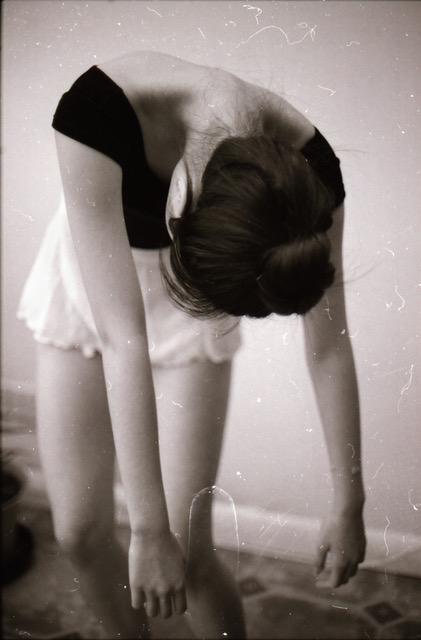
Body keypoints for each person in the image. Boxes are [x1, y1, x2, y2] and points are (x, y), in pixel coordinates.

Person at [18, 50, 366, 639]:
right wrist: (145, 530)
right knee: (78, 531)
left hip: (192, 318)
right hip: (91, 284)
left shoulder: (314, 178)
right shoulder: (94, 114)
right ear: (178, 198)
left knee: (189, 547)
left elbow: (329, 346)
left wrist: (349, 500)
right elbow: (121, 336)